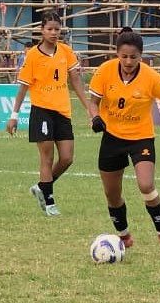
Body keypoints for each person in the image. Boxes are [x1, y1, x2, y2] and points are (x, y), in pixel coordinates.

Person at [89, 27, 160, 254]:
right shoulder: (105, 71)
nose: (128, 62)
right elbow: (93, 102)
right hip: (112, 138)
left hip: (141, 138)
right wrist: (96, 118)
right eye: (124, 56)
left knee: (146, 185)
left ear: (141, 56)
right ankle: (124, 235)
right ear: (117, 54)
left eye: (134, 57)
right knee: (112, 194)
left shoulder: (151, 77)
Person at [6, 12, 97, 216]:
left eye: (57, 29)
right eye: (50, 29)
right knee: (47, 158)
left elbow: (75, 80)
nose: (54, 33)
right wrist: (14, 115)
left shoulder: (66, 51)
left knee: (67, 158)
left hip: (62, 111)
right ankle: (49, 203)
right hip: (42, 111)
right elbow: (23, 87)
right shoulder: (32, 55)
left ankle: (42, 187)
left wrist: (89, 108)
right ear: (42, 30)